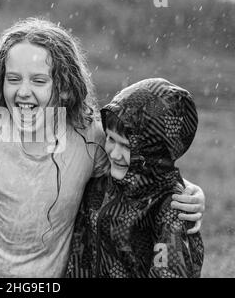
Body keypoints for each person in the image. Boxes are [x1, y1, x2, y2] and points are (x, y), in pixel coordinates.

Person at [0, 18, 205, 278]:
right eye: (13, 78)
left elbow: (138, 159)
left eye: (38, 80)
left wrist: (187, 190)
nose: (23, 92)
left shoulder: (87, 137)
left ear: (63, 87)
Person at [66, 78, 204, 277]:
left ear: (154, 152)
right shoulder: (101, 183)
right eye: (111, 139)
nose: (114, 153)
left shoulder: (170, 208)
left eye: (127, 146)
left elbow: (170, 272)